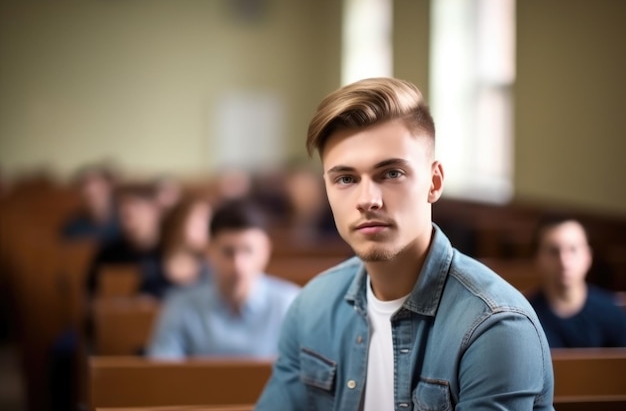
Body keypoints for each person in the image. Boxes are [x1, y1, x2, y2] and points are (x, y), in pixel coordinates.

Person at [255, 77, 554, 411]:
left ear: (434, 181)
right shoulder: (311, 306)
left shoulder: (495, 326)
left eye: (391, 173)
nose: (367, 200)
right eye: (346, 179)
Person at [147, 198, 300, 359]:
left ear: (265, 250)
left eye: (248, 251)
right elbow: (161, 372)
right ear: (210, 250)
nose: (238, 265)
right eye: (228, 252)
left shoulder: (291, 306)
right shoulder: (179, 306)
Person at [528, 214, 626, 348]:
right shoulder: (527, 317)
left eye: (573, 249)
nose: (564, 261)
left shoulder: (611, 313)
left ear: (588, 256)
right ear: (538, 258)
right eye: (554, 251)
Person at [85, 182, 168, 299]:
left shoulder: (171, 253)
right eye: (122, 207)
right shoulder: (108, 256)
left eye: (136, 205)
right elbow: (92, 301)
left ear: (157, 210)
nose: (128, 211)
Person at [61, 164, 120, 242]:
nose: (89, 189)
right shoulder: (73, 225)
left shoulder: (126, 221)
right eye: (83, 184)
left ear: (110, 185)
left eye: (97, 183)